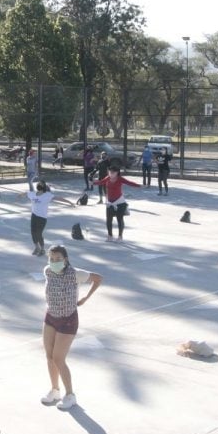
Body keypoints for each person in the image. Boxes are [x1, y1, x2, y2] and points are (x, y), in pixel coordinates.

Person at [40, 245, 102, 410]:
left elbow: (98, 278)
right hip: (50, 317)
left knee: (59, 358)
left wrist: (85, 298)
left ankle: (70, 395)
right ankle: (55, 390)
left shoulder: (75, 274)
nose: (54, 262)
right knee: (49, 356)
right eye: (51, 259)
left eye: (58, 259)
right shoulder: (47, 271)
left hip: (68, 319)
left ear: (65, 259)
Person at [19, 180, 74, 256]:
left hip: (42, 218)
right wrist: (20, 195)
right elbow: (26, 193)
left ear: (43, 187)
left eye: (41, 184)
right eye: (39, 184)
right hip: (34, 216)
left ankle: (42, 249)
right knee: (33, 233)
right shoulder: (33, 194)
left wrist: (69, 202)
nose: (39, 185)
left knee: (39, 233)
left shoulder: (47, 195)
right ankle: (36, 247)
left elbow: (59, 198)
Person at [93, 165, 141, 242]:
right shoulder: (107, 178)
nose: (111, 173)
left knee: (119, 219)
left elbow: (129, 183)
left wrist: (139, 185)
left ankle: (120, 237)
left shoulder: (120, 179)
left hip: (119, 202)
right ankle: (110, 236)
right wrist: (93, 183)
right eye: (109, 171)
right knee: (108, 220)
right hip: (110, 202)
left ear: (117, 173)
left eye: (113, 172)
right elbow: (101, 182)